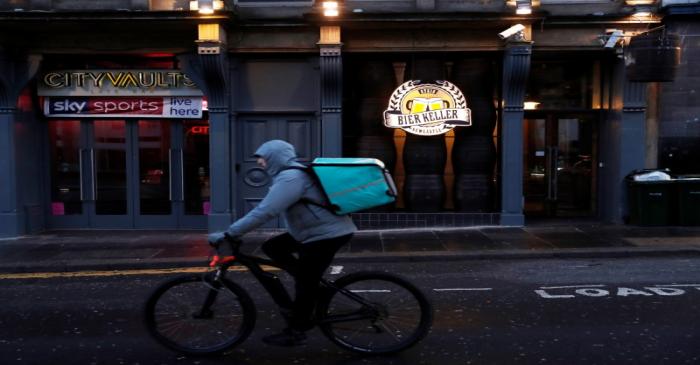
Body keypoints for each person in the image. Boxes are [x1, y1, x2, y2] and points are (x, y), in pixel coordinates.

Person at [208, 140, 357, 347]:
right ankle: (310, 283)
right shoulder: (290, 175)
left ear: (274, 157)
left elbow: (265, 211)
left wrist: (230, 233)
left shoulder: (291, 177)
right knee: (273, 248)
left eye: (262, 157)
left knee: (305, 283)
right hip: (315, 231)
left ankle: (297, 330)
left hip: (326, 235)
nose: (259, 162)